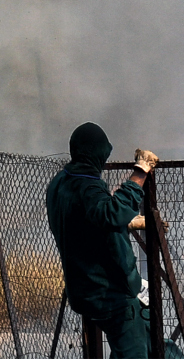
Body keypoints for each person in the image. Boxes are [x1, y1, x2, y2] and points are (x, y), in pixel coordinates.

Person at [46, 122, 161, 358]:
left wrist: (127, 222)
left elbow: (85, 220)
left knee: (151, 341)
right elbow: (109, 213)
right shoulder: (86, 186)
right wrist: (139, 173)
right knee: (134, 352)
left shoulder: (60, 183)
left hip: (82, 288)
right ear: (96, 154)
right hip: (108, 293)